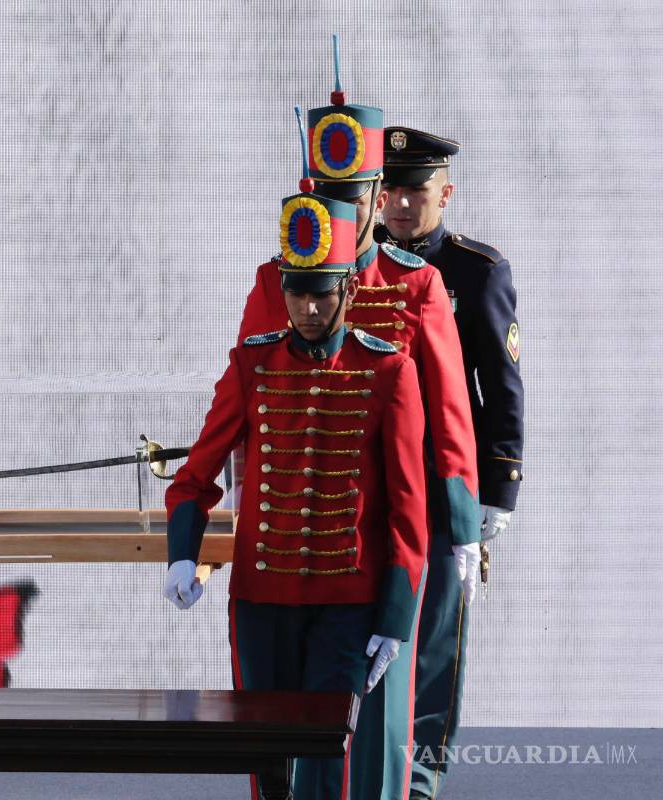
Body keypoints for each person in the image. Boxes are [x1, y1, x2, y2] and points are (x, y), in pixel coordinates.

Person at [232, 40, 482, 799]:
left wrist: (464, 526)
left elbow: (447, 415)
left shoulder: (418, 284)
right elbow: (252, 403)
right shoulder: (278, 282)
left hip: (399, 528)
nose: (349, 207)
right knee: (278, 714)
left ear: (377, 194)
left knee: (381, 715)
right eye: (330, 191)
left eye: (360, 191)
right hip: (305, 537)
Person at [165, 170, 429, 800]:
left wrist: (395, 616)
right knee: (267, 754)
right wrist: (183, 551)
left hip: (347, 599)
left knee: (323, 753)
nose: (309, 310)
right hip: (263, 598)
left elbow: (406, 507)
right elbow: (197, 474)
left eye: (322, 295)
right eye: (297, 294)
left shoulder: (387, 371)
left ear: (347, 290)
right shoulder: (253, 363)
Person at [376, 126, 525, 800]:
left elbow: (500, 383)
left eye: (418, 191)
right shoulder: (352, 262)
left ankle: (422, 780)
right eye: (394, 191)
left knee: (433, 642)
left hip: (442, 483)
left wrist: (496, 490)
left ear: (446, 193)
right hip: (367, 481)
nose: (404, 205)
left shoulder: (474, 270)